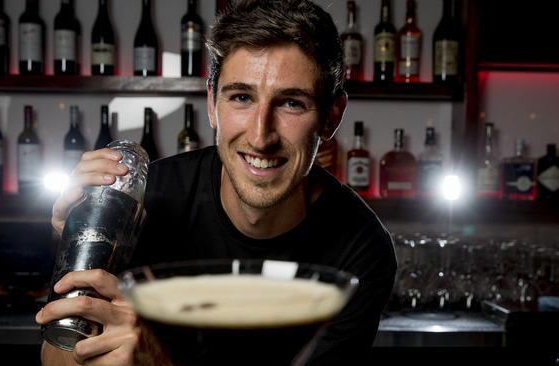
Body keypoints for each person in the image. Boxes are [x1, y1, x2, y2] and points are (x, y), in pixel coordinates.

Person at [36, 0, 397, 365]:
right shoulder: (144, 200)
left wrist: (158, 360)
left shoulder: (360, 248)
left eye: (291, 103)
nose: (260, 136)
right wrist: (77, 248)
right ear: (212, 104)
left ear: (331, 117)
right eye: (241, 97)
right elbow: (57, 357)